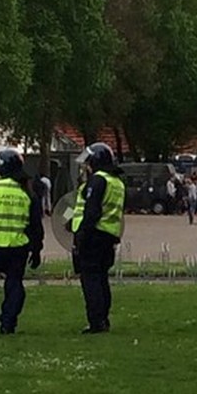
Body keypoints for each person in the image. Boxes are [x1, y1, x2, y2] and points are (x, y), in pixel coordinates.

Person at [0, 148, 44, 334]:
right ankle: (8, 323)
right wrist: (36, 251)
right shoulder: (28, 193)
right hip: (18, 248)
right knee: (14, 284)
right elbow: (36, 226)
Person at [72, 142, 125, 334]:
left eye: (88, 163)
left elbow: (92, 211)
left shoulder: (98, 180)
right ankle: (103, 318)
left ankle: (96, 322)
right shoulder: (117, 182)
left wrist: (81, 235)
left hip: (93, 235)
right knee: (102, 279)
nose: (86, 167)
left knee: (90, 279)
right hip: (109, 236)